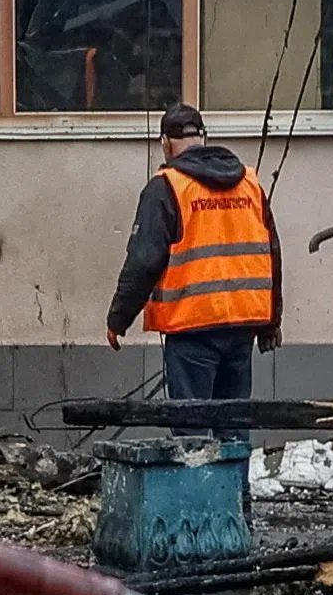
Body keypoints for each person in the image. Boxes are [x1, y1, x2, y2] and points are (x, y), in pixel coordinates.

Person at [107, 103, 277, 406]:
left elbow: (144, 260)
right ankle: (236, 457)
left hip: (191, 329)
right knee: (233, 425)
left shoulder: (166, 188)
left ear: (165, 143)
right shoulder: (250, 185)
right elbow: (272, 255)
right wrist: (271, 323)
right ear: (204, 137)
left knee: (190, 431)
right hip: (242, 327)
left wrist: (118, 319)